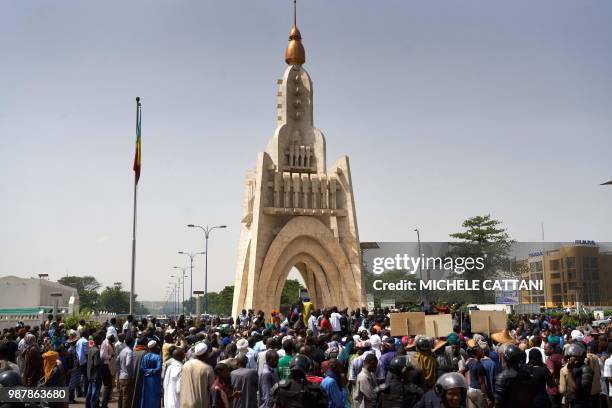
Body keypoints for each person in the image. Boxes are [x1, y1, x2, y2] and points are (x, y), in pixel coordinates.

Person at [180, 342, 215, 408]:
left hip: (184, 402)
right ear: (206, 354)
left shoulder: (186, 365)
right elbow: (212, 389)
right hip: (200, 404)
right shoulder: (208, 368)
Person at [560, 343, 594, 408]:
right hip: (573, 402)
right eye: (570, 356)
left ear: (582, 355)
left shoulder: (586, 369)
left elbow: (577, 391)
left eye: (574, 356)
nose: (571, 359)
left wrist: (569, 371)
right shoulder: (573, 368)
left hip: (582, 404)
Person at [139, 340, 162, 408]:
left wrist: (147, 371)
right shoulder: (158, 357)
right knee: (154, 396)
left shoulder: (145, 357)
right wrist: (152, 371)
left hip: (146, 378)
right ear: (154, 347)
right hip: (155, 379)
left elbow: (142, 369)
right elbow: (158, 369)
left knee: (146, 395)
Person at [86, 332, 104, 408]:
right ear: (97, 340)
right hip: (95, 376)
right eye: (100, 339)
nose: (101, 340)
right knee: (94, 394)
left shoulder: (91, 349)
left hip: (90, 374)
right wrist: (102, 361)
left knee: (89, 393)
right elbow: (96, 364)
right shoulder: (96, 350)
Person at [117, 336, 135, 408]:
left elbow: (117, 360)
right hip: (127, 377)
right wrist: (130, 374)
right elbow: (128, 364)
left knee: (121, 396)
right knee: (126, 397)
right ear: (131, 343)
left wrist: (120, 370)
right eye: (133, 342)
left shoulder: (123, 351)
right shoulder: (129, 352)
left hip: (121, 376)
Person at [76, 328, 90, 398]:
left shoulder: (78, 341)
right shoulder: (85, 341)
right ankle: (86, 392)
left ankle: (79, 392)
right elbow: (87, 353)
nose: (88, 334)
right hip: (85, 361)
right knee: (86, 378)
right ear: (85, 334)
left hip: (79, 361)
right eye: (87, 333)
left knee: (80, 377)